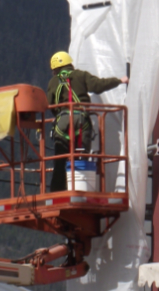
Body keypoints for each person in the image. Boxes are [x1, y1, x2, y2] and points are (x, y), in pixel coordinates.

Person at [46, 51, 129, 191]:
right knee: (81, 155)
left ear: (55, 69)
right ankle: (81, 188)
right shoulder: (81, 75)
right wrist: (119, 80)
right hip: (82, 120)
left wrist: (60, 115)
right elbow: (98, 85)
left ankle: (57, 192)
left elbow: (50, 104)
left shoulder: (53, 82)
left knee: (61, 160)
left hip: (63, 122)